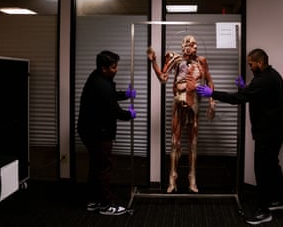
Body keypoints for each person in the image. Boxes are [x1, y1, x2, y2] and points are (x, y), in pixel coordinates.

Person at [196, 48, 283, 225]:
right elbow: (260, 96)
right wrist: (246, 88)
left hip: (267, 134)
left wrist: (212, 94)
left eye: (251, 64)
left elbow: (238, 98)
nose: (250, 67)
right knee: (272, 166)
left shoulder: (263, 80)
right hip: (275, 132)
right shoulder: (273, 75)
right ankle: (281, 200)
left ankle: (263, 211)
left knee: (262, 171)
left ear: (260, 62)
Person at [147, 35, 215, 193]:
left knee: (193, 143)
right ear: (184, 45)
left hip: (194, 103)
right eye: (191, 44)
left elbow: (210, 81)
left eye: (196, 44)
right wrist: (154, 61)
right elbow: (163, 78)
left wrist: (212, 98)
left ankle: (192, 179)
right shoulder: (174, 59)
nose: (194, 47)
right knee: (175, 142)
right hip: (179, 101)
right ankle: (173, 178)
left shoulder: (201, 61)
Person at [77, 50, 136, 216]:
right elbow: (113, 109)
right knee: (104, 167)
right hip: (97, 132)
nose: (116, 70)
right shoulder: (101, 84)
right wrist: (128, 114)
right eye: (113, 67)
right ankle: (106, 205)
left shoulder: (98, 78)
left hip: (89, 129)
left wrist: (125, 94)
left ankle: (92, 201)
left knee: (96, 166)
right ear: (104, 68)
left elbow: (108, 97)